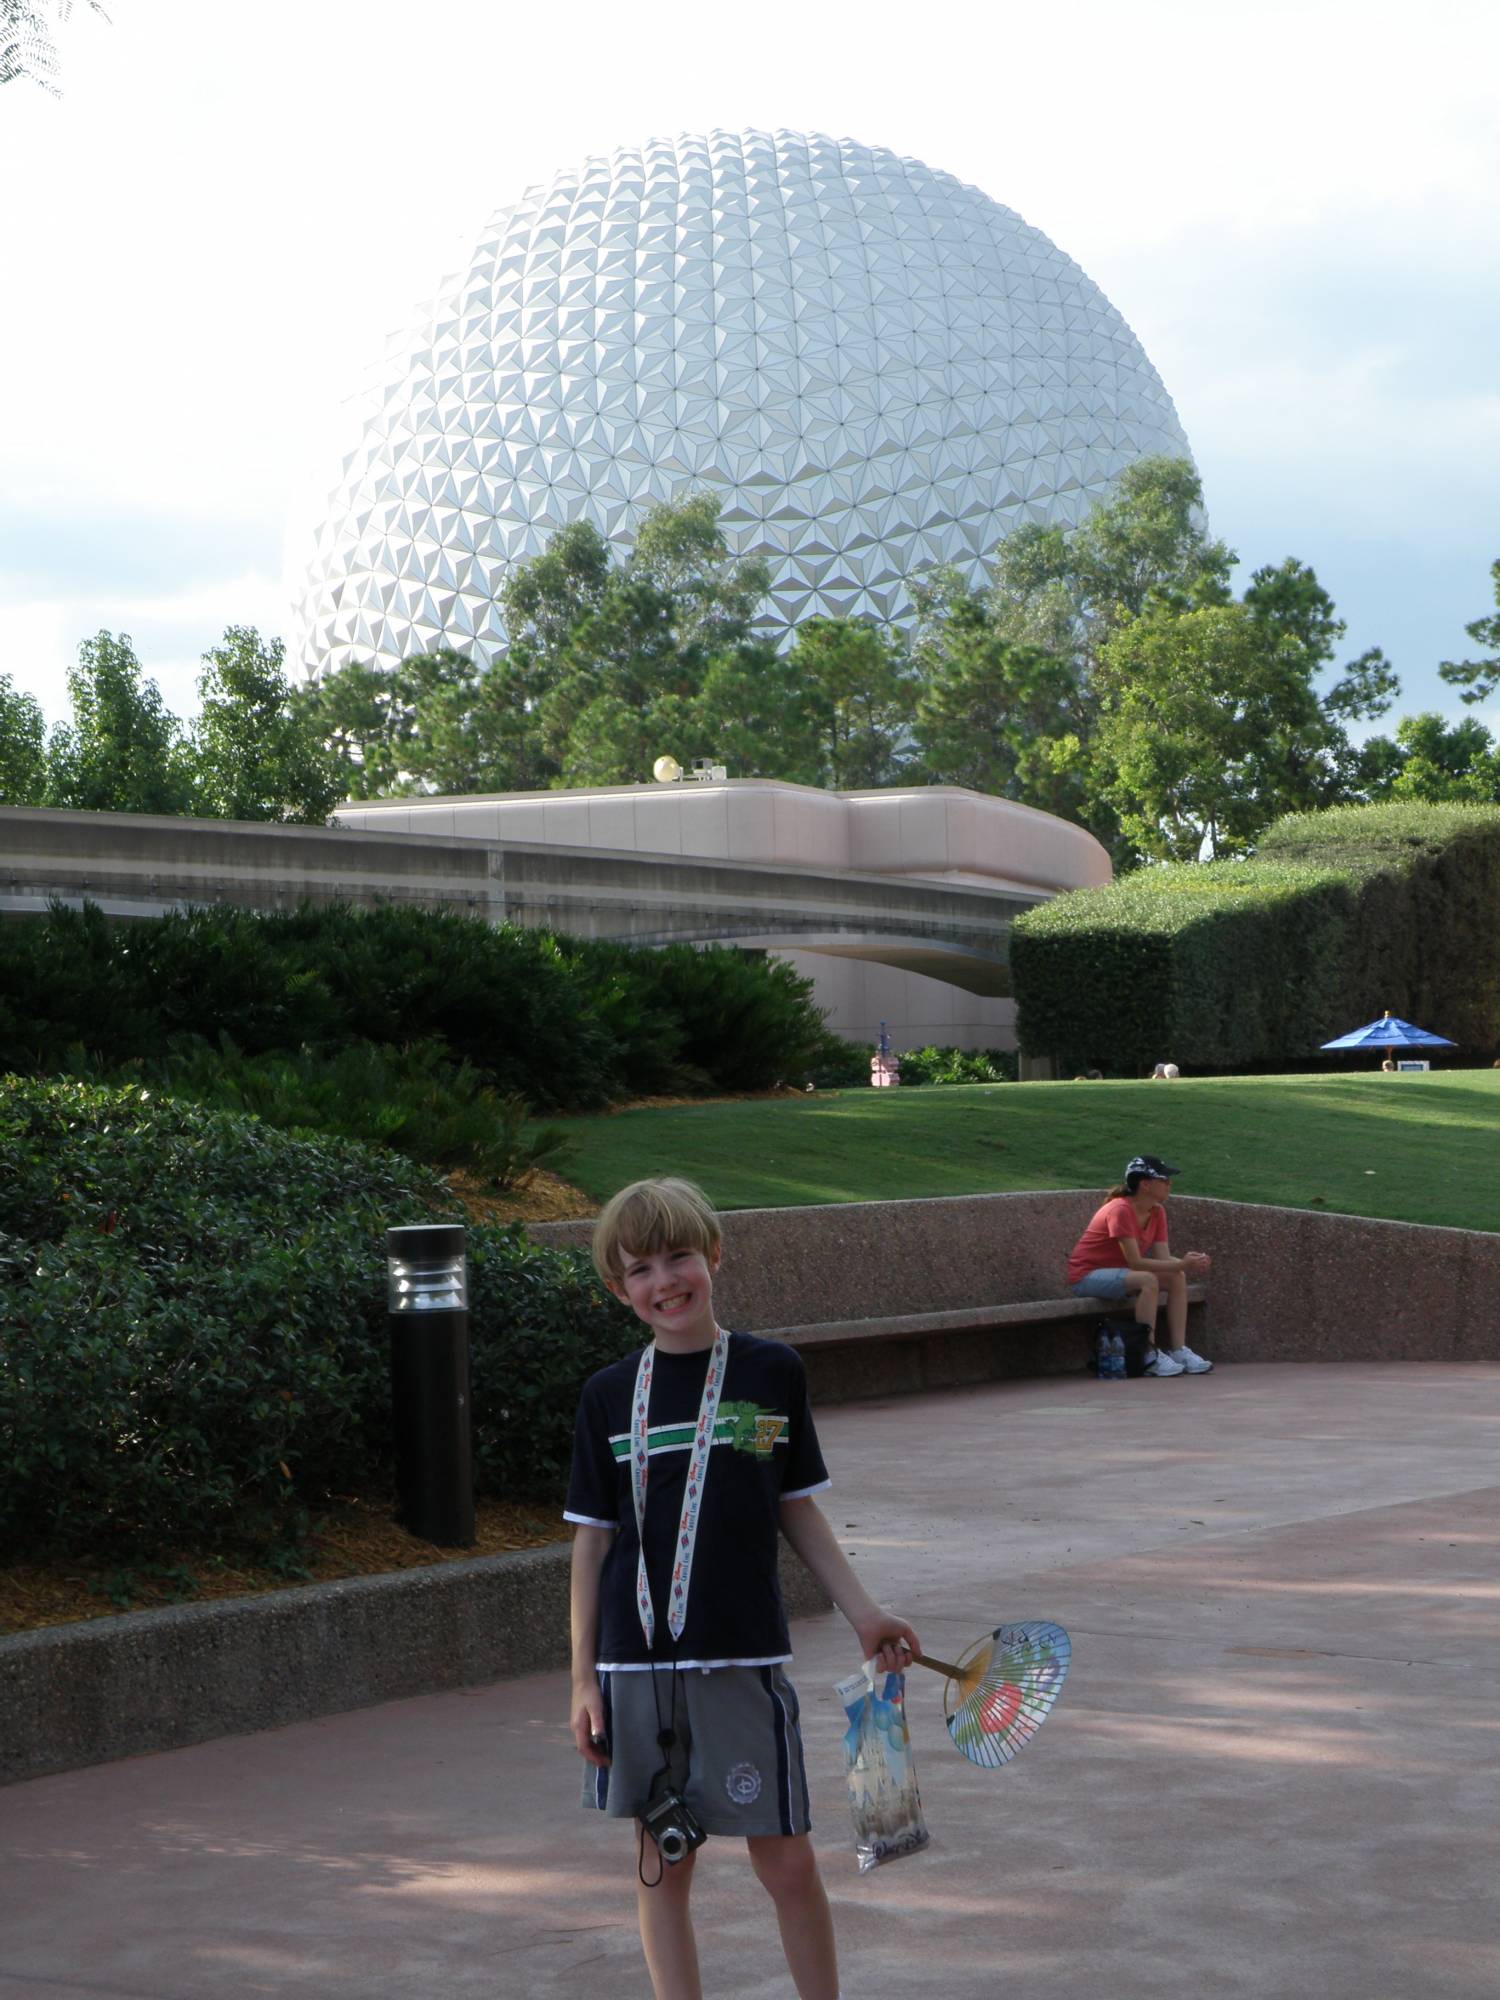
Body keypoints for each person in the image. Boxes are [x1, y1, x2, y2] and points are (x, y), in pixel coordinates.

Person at [566, 1176, 920, 2000]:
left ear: (714, 1255)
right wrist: (583, 1679)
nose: (665, 1282)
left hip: (742, 1658)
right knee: (661, 1862)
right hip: (635, 1668)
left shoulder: (770, 1372)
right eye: (641, 1270)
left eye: (679, 1257)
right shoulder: (608, 1396)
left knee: (787, 1861)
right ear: (621, 1292)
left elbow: (794, 1510)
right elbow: (591, 1545)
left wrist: (864, 1614)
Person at [1064, 1153, 1213, 1376]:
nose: (1169, 1184)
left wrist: (1187, 1264)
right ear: (1145, 1184)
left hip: (1123, 1274)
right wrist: (1181, 1263)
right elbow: (1136, 1261)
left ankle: (1179, 1349)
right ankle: (1148, 1353)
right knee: (1148, 1280)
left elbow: (1163, 1257)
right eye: (1163, 1180)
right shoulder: (1120, 1210)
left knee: (1176, 1277)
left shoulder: (1157, 1211)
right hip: (1087, 1276)